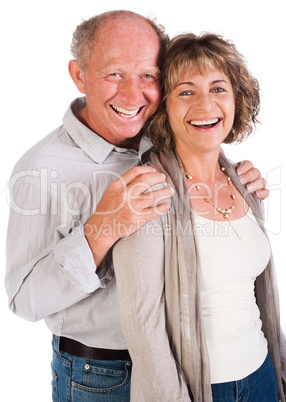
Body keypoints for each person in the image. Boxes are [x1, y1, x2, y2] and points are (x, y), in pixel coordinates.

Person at [5, 11, 268, 402]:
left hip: (189, 364)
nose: (132, 96)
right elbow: (23, 300)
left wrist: (236, 178)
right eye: (114, 74)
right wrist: (103, 228)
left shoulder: (163, 135)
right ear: (79, 75)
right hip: (100, 375)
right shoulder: (43, 167)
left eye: (148, 76)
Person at [113, 33, 286, 401]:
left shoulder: (244, 182)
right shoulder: (147, 193)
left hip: (263, 375)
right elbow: (144, 330)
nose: (206, 104)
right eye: (187, 92)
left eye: (219, 88)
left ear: (237, 99)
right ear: (164, 107)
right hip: (199, 389)